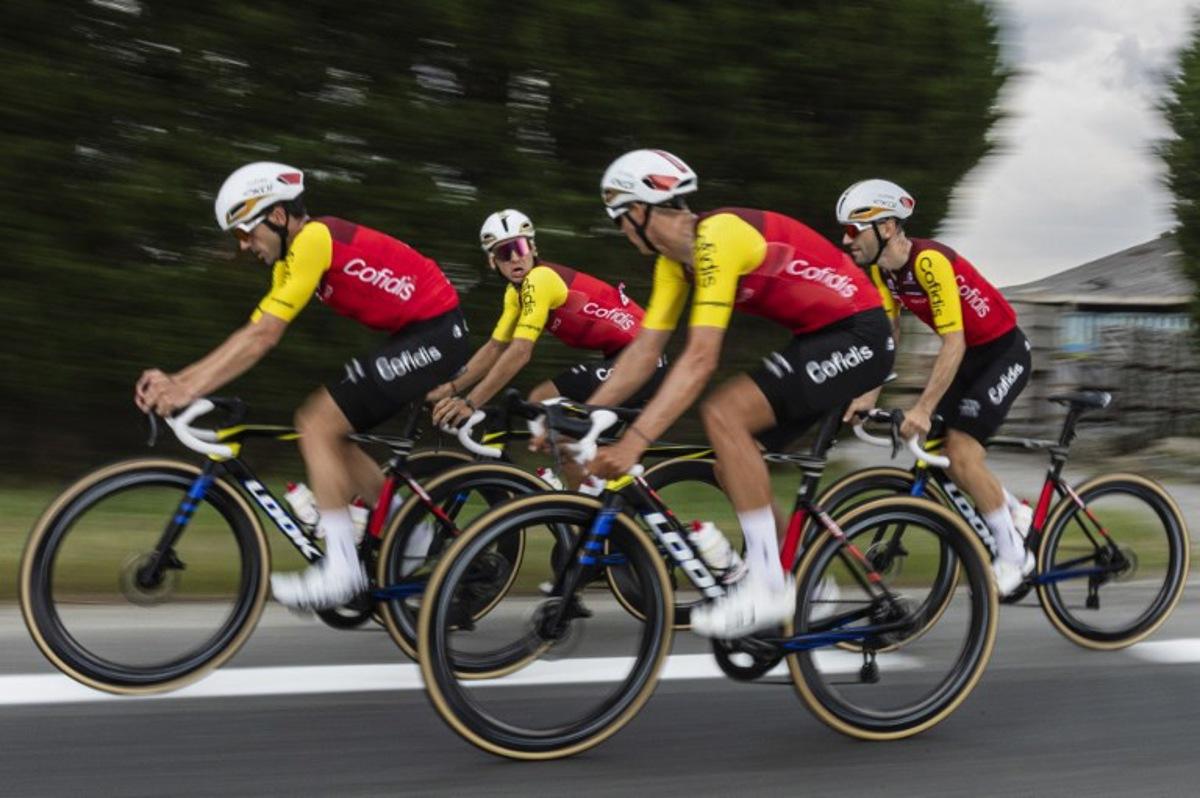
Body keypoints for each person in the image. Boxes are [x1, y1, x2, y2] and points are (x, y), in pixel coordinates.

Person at [587, 149, 894, 638]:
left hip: (859, 334)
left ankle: (769, 585)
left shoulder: (717, 238)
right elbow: (645, 351)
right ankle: (800, 581)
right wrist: (587, 415)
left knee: (724, 414)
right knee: (732, 462)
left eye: (622, 218)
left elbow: (700, 358)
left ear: (642, 211)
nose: (623, 231)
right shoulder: (675, 263)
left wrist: (634, 441)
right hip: (820, 337)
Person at [134, 161, 469, 609]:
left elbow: (263, 338)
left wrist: (186, 387)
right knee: (331, 435)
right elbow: (252, 332)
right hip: (420, 334)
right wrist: (182, 380)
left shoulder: (313, 239)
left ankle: (343, 571)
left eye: (245, 232)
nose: (245, 245)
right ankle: (412, 533)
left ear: (276, 215)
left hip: (437, 333)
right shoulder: (293, 257)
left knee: (315, 424)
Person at [837, 179, 1033, 596]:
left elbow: (954, 340)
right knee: (940, 452)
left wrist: (923, 408)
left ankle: (1015, 555)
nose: (845, 239)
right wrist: (868, 395)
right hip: (969, 358)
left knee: (960, 454)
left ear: (887, 227)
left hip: (1002, 353)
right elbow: (890, 336)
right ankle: (1012, 508)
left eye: (854, 229)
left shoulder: (928, 262)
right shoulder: (883, 272)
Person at [428, 209, 667, 478]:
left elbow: (519, 352)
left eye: (520, 247)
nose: (516, 257)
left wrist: (470, 403)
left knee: (543, 401)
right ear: (492, 262)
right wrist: (448, 388)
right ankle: (581, 508)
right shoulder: (514, 294)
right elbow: (495, 348)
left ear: (533, 248)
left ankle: (571, 495)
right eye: (505, 253)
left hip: (643, 358)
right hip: (623, 357)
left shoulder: (539, 280)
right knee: (569, 445)